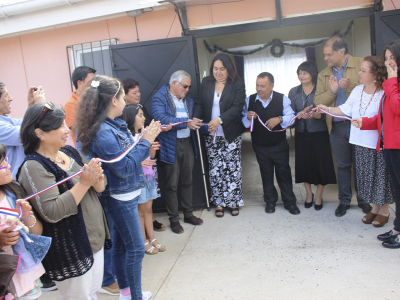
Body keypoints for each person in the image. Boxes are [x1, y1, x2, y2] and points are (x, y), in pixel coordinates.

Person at [76, 75, 161, 300]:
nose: (126, 101)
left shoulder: (113, 125)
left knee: (123, 247)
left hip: (125, 194)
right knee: (135, 249)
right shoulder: (103, 132)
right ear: (114, 101)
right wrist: (145, 141)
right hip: (120, 198)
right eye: (123, 96)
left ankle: (126, 292)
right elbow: (124, 168)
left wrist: (143, 143)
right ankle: (134, 296)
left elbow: (128, 158)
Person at [17, 102, 109, 300]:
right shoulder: (33, 166)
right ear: (40, 133)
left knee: (92, 294)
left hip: (94, 239)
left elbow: (100, 187)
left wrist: (97, 178)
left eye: (65, 124)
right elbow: (52, 211)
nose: (67, 129)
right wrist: (84, 183)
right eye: (60, 126)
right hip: (72, 248)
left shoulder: (69, 152)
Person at [318, 56, 394, 226]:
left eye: (363, 70)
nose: (359, 73)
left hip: (377, 144)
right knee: (367, 178)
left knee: (380, 179)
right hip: (359, 142)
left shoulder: (384, 92)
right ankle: (375, 209)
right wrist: (327, 108)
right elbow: (345, 109)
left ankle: (384, 210)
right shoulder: (358, 90)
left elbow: (384, 118)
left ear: (375, 74)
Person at [314, 36, 371, 217]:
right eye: (325, 55)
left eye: (329, 54)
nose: (325, 58)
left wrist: (348, 87)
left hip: (360, 125)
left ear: (342, 52)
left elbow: (373, 88)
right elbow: (318, 101)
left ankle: (363, 200)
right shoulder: (324, 74)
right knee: (344, 166)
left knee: (361, 165)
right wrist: (333, 91)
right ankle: (344, 201)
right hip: (337, 127)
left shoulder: (362, 64)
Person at [352, 40, 400, 248]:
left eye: (393, 58)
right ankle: (397, 228)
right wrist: (366, 122)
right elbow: (385, 116)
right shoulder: (393, 84)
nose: (389, 62)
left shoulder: (392, 84)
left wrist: (391, 81)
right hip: (389, 144)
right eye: (387, 58)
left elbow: (398, 108)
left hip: (397, 144)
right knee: (397, 191)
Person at [151, 70, 203, 234]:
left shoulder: (188, 99)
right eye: (185, 86)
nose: (187, 89)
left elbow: (194, 113)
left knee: (188, 181)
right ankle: (174, 219)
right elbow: (160, 118)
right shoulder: (160, 97)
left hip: (187, 143)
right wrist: (186, 122)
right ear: (174, 83)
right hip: (169, 145)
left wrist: (194, 119)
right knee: (171, 185)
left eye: (189, 87)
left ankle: (188, 214)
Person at [194, 53, 246, 217]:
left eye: (222, 69)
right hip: (212, 134)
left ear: (228, 68)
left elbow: (237, 107)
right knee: (216, 170)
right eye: (215, 68)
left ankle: (234, 202)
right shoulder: (206, 82)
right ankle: (219, 203)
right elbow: (200, 103)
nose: (218, 72)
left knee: (232, 169)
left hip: (230, 133)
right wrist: (196, 117)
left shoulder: (237, 83)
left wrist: (220, 120)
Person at [242, 72, 300, 215]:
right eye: (257, 85)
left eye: (262, 85)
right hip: (259, 145)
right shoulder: (249, 100)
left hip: (279, 144)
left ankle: (290, 202)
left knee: (284, 173)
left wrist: (279, 119)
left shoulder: (282, 99)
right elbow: (243, 121)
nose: (259, 88)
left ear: (272, 86)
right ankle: (270, 201)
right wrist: (248, 118)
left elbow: (291, 118)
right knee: (266, 173)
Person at [0, 143, 49, 299]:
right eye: (1, 164)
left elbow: (36, 233)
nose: (7, 165)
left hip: (26, 276)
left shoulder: (13, 192)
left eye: (5, 160)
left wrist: (28, 218)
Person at [289, 61, 336, 210]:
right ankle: (309, 194)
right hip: (301, 133)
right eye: (299, 73)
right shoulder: (293, 92)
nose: (301, 76)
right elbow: (290, 113)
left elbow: (328, 110)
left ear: (312, 74)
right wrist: (299, 115)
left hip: (319, 133)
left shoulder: (320, 90)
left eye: (305, 73)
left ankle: (319, 195)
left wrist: (317, 116)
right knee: (304, 165)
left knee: (321, 165)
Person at [122, 78, 167, 232]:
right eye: (134, 92)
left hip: (148, 163)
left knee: (148, 200)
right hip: (136, 170)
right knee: (140, 205)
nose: (138, 94)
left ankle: (150, 221)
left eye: (139, 91)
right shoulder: (122, 119)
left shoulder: (141, 109)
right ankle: (144, 232)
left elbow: (148, 130)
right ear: (124, 96)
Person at [120, 104, 166, 255]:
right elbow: (127, 161)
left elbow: (150, 157)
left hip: (149, 177)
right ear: (130, 117)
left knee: (148, 209)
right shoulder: (127, 138)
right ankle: (143, 241)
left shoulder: (144, 134)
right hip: (138, 180)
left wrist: (152, 152)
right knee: (140, 212)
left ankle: (152, 239)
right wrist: (140, 162)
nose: (144, 118)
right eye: (140, 115)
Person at [0, 83, 45, 178]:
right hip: (16, 182)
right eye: (6, 95)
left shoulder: (7, 121)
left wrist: (31, 106)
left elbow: (24, 123)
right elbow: (27, 132)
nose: (10, 98)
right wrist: (41, 107)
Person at [64, 66, 96, 147]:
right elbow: (77, 130)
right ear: (80, 83)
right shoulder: (70, 104)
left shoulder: (95, 99)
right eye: (91, 82)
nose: (94, 85)